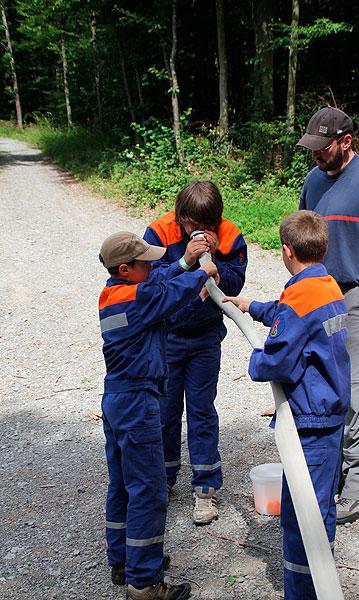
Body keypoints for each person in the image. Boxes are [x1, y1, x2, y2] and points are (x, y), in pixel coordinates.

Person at [225, 210, 350, 599]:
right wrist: (251, 306)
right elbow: (289, 315)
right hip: (331, 417)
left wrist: (255, 360)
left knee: (301, 518)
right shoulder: (327, 286)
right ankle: (322, 581)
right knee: (321, 507)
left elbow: (276, 360)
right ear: (323, 248)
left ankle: (303, 591)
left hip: (309, 424)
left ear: (286, 251)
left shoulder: (300, 298)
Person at [98, 231, 217, 600]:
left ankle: (123, 561)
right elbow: (166, 292)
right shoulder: (138, 299)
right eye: (144, 263)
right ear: (125, 269)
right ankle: (145, 583)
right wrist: (201, 272)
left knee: (123, 485)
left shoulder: (113, 294)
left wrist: (184, 263)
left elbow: (158, 285)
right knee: (149, 491)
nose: (151, 266)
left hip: (117, 399)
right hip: (137, 403)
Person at [297, 106, 359, 524]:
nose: (317, 155)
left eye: (323, 148)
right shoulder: (313, 180)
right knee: (325, 384)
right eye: (313, 148)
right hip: (321, 294)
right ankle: (334, 472)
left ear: (346, 142)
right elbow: (302, 240)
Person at [143, 180, 247, 524]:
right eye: (191, 225)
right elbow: (148, 282)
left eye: (206, 226)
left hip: (205, 338)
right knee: (166, 411)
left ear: (216, 221)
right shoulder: (159, 231)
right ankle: (163, 479)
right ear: (180, 217)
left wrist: (214, 258)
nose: (198, 231)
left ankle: (205, 487)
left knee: (202, 411)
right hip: (168, 337)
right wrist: (185, 261)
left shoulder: (230, 235)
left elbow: (235, 283)